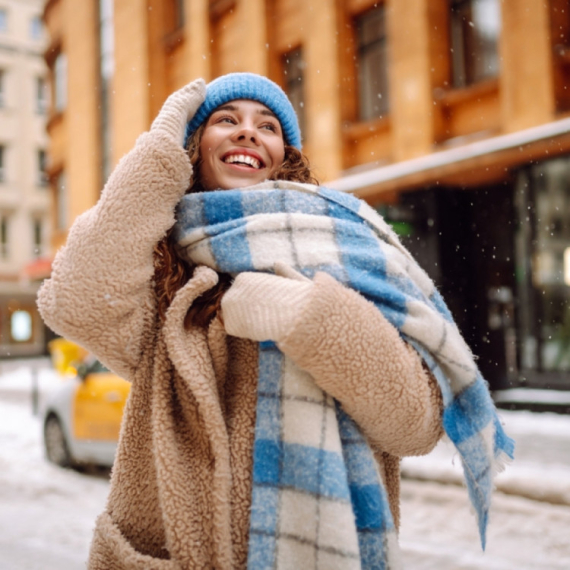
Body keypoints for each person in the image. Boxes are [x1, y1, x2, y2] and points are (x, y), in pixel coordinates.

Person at [38, 73, 513, 570]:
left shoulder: (349, 251)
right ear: (193, 149)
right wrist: (158, 151)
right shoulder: (164, 279)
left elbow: (414, 425)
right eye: (226, 121)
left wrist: (310, 316)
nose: (247, 132)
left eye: (267, 126)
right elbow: (76, 299)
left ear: (285, 156)